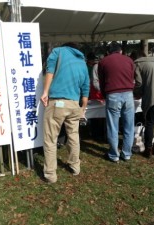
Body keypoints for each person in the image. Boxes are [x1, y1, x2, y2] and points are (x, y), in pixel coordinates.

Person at [40, 42, 90, 183]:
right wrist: (83, 108)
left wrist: (45, 92)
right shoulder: (82, 62)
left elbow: (50, 70)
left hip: (57, 102)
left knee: (50, 139)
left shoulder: (58, 51)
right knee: (73, 137)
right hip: (75, 105)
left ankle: (50, 175)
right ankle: (75, 167)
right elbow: (85, 88)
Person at [98, 41, 135, 162]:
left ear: (108, 52)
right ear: (121, 51)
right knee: (129, 125)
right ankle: (127, 153)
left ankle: (114, 155)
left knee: (113, 126)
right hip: (128, 94)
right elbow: (132, 77)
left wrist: (104, 95)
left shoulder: (103, 62)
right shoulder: (129, 60)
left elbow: (102, 82)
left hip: (112, 94)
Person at [86, 53, 105, 141]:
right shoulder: (93, 67)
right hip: (95, 93)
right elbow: (94, 81)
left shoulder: (97, 66)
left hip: (101, 94)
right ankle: (94, 132)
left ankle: (101, 132)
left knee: (102, 115)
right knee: (94, 114)